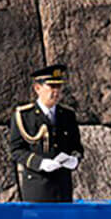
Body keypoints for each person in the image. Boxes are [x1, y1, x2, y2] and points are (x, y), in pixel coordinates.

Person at [8, 64, 84, 203]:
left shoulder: (67, 115)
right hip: (37, 186)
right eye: (51, 87)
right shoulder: (24, 115)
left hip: (62, 186)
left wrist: (74, 159)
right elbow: (16, 150)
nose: (56, 92)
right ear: (38, 88)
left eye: (59, 87)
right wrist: (40, 163)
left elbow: (76, 147)